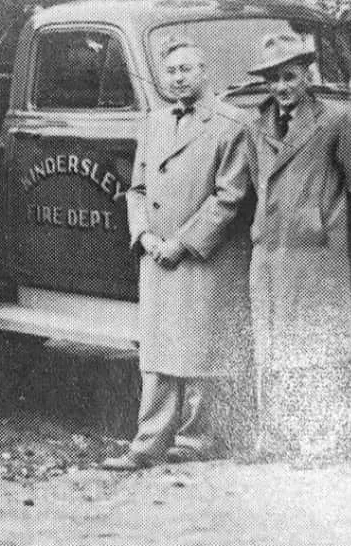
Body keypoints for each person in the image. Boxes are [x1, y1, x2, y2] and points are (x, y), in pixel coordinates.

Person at [101, 40, 254, 471]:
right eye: (170, 71)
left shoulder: (232, 124)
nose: (178, 78)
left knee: (205, 346)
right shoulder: (153, 122)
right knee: (158, 350)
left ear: (205, 71)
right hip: (157, 254)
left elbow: (230, 196)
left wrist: (181, 243)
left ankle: (199, 437)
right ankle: (149, 443)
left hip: (204, 255)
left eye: (186, 69)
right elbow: (137, 188)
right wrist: (145, 235)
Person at [245, 32, 351, 459]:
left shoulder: (337, 120)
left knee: (316, 346)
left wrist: (328, 230)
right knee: (273, 345)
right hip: (270, 253)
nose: (281, 87)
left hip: (315, 256)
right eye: (273, 79)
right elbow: (259, 185)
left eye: (289, 76)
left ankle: (321, 438)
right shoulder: (256, 126)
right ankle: (279, 436)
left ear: (307, 75)